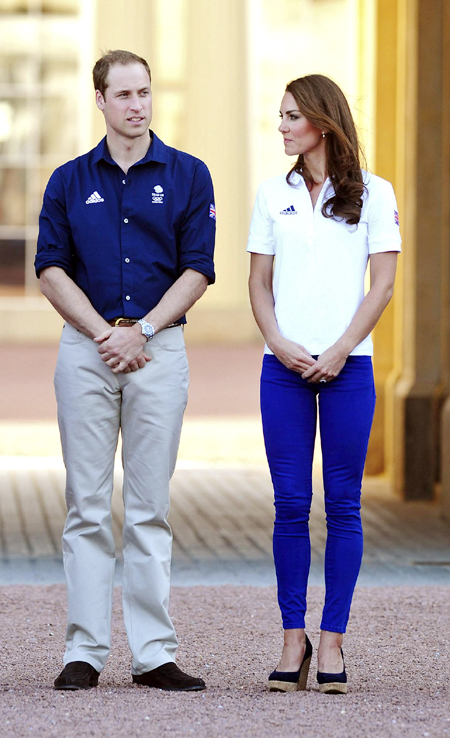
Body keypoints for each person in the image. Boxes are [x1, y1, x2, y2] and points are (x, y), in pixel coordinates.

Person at [35, 50, 216, 692]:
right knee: (85, 505)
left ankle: (154, 654)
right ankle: (83, 651)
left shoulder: (190, 175)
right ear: (101, 101)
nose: (138, 105)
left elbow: (198, 267)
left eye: (145, 92)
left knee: (149, 508)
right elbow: (50, 267)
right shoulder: (66, 179)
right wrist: (103, 334)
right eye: (125, 94)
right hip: (87, 351)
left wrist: (142, 332)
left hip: (158, 351)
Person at [247, 74, 401, 694]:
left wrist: (339, 351)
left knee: (343, 504)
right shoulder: (270, 193)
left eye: (290, 116)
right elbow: (258, 284)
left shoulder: (377, 194)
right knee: (289, 505)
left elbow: (382, 285)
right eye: (280, 116)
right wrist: (281, 344)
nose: (281, 126)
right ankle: (293, 639)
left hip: (349, 370)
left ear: (321, 121)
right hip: (281, 371)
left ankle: (333, 640)